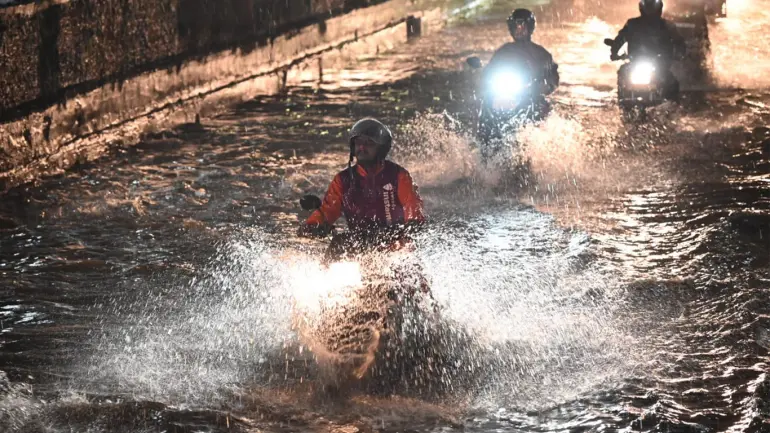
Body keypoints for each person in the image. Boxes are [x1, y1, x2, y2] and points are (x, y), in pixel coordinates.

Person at [298, 118, 425, 239]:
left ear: (381, 149)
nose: (362, 148)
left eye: (369, 143)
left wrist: (411, 226)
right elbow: (328, 210)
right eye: (358, 143)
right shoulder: (342, 180)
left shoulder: (399, 176)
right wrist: (311, 226)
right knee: (339, 242)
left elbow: (413, 209)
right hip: (358, 243)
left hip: (395, 243)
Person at [608, 0, 686, 98]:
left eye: (652, 8)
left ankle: (672, 105)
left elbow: (678, 42)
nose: (650, 12)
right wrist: (614, 52)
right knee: (623, 72)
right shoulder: (632, 24)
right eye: (648, 8)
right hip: (635, 62)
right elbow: (620, 39)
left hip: (659, 64)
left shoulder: (667, 26)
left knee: (671, 82)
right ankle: (622, 98)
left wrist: (679, 53)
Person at [485, 8, 560, 98]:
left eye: (522, 27)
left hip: (532, 97)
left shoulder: (542, 54)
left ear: (530, 28)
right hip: (504, 96)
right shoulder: (503, 51)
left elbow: (553, 80)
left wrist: (544, 86)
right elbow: (488, 72)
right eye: (515, 27)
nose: (519, 30)